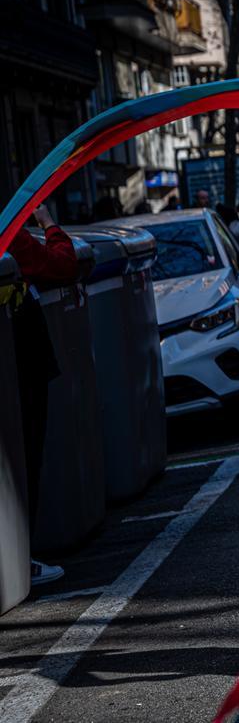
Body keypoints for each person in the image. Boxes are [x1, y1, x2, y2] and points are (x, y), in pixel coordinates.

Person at [8, 205, 78, 586]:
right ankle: (21, 561)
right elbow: (61, 265)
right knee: (23, 459)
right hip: (20, 359)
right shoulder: (7, 231)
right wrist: (49, 223)